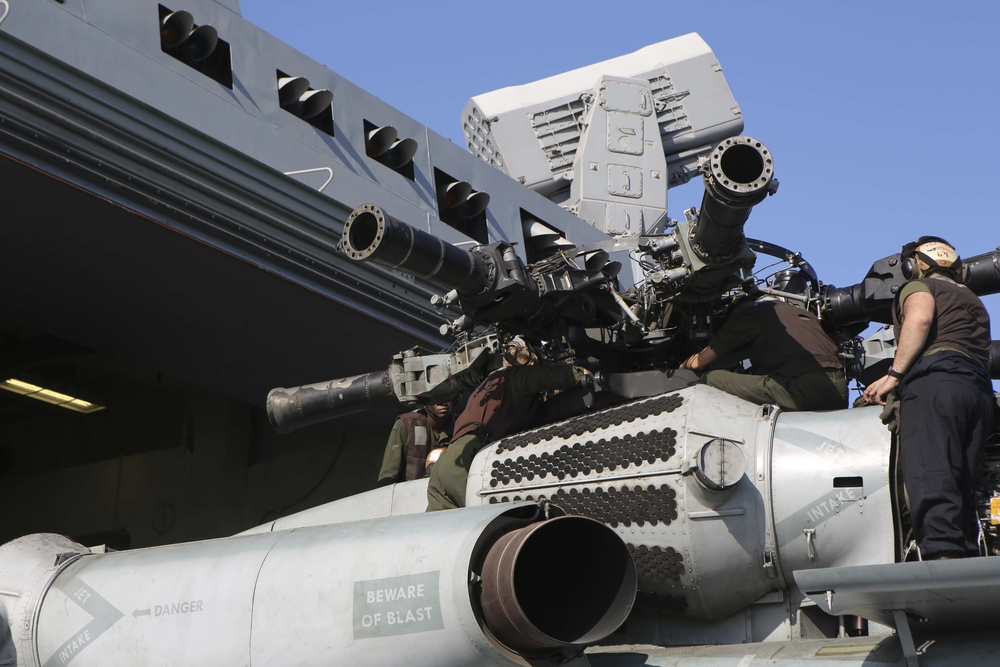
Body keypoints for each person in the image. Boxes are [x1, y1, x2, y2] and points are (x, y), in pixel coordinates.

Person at [863, 236, 993, 560]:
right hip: (978, 390)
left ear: (913, 266)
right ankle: (963, 558)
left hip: (936, 383)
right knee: (962, 478)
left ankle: (941, 558)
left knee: (931, 470)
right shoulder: (972, 299)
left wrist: (893, 376)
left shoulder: (920, 287)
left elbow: (920, 319)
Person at [426, 344, 590, 511]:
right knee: (491, 523)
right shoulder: (518, 376)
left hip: (444, 466)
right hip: (471, 463)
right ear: (531, 365)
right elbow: (554, 376)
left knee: (437, 529)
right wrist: (583, 373)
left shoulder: (488, 384)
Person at [679, 277, 847, 411]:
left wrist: (681, 368)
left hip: (805, 390)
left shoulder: (750, 315)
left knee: (712, 379)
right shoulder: (802, 314)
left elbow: (698, 362)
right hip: (840, 392)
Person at [375, 403, 452, 486]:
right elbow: (388, 477)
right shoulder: (407, 424)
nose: (443, 402)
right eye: (437, 397)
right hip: (411, 494)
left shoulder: (461, 426)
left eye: (447, 397)